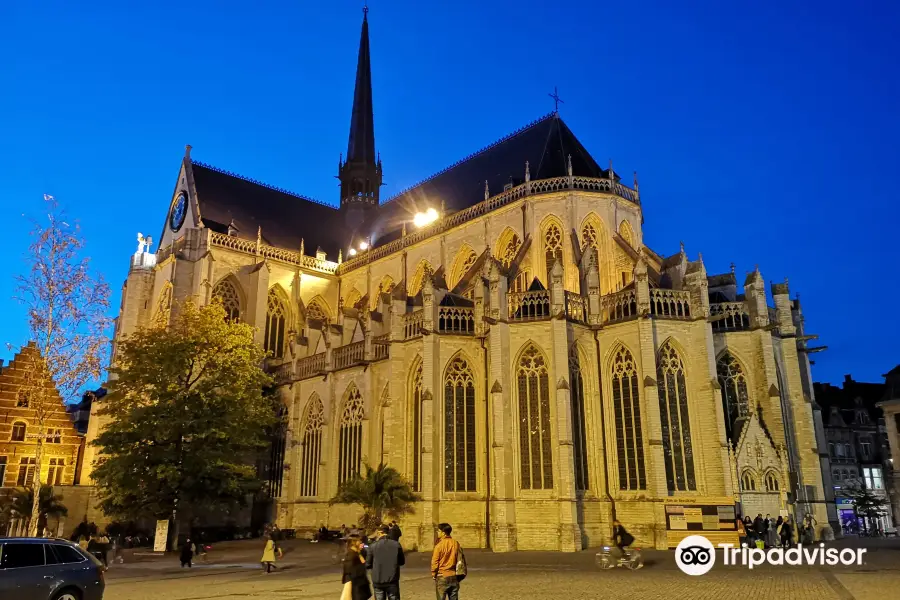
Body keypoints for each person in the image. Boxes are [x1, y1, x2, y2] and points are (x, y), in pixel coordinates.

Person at [367, 525, 405, 600]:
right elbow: (402, 561)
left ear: (380, 533)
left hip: (378, 580)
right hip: (392, 579)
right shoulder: (396, 545)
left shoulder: (372, 546)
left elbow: (368, 564)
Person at [432, 523, 461, 600]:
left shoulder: (438, 546)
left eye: (438, 531)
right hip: (453, 575)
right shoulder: (456, 543)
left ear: (443, 533)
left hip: (442, 576)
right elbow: (460, 559)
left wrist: (433, 574)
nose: (437, 532)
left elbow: (435, 562)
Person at [342, 535, 372, 600]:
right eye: (359, 541)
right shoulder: (351, 554)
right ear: (354, 542)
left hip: (360, 582)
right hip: (356, 582)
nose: (361, 542)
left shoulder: (357, 552)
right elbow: (348, 569)